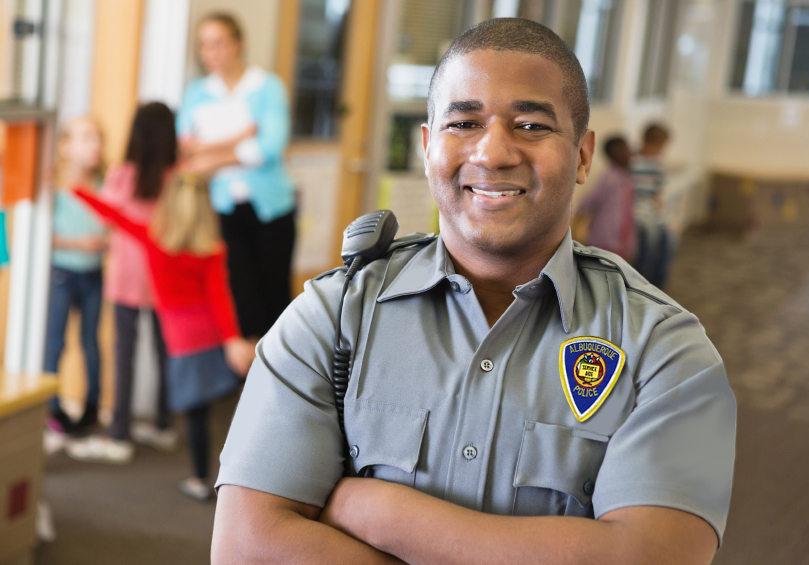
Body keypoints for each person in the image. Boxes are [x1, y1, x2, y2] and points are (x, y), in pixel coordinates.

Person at [211, 18, 736, 564]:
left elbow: (649, 557)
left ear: (583, 155)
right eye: (463, 122)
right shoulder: (333, 315)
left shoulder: (669, 353)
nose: (492, 152)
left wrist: (374, 511)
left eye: (531, 125)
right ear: (427, 145)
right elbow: (246, 549)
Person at [72, 173, 255, 501]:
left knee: (197, 417)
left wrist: (77, 188)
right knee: (230, 411)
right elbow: (220, 298)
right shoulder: (212, 249)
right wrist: (231, 339)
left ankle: (201, 480)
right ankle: (245, 479)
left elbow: (112, 215)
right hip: (212, 337)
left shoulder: (152, 238)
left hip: (183, 343)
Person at [67, 102, 178, 464]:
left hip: (128, 277)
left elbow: (105, 217)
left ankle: (120, 433)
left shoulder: (123, 175)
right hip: (167, 278)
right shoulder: (180, 176)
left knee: (124, 353)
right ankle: (164, 424)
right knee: (167, 353)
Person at [178, 12, 296, 343]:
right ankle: (242, 387)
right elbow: (187, 154)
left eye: (218, 43)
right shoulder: (197, 93)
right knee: (238, 299)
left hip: (272, 208)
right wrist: (242, 137)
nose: (211, 53)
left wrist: (210, 155)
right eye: (204, 46)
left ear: (239, 44)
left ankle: (278, 383)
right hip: (221, 210)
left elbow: (269, 148)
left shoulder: (268, 87)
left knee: (274, 297)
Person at [44, 117, 108, 434]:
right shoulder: (54, 188)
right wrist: (79, 243)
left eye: (97, 138)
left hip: (95, 274)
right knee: (54, 343)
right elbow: (41, 235)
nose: (94, 145)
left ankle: (92, 408)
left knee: (91, 344)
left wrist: (104, 242)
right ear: (65, 146)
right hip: (61, 273)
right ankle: (52, 409)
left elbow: (116, 227)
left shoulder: (106, 186)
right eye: (86, 138)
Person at [574, 135, 635, 261]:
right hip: (605, 240)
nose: (629, 153)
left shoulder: (626, 177)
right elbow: (587, 203)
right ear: (613, 155)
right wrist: (576, 229)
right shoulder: (609, 179)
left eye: (628, 149)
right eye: (623, 151)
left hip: (622, 240)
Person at [632, 123, 673, 288]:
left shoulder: (657, 165)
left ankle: (658, 286)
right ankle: (640, 284)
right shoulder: (633, 162)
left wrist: (663, 217)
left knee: (669, 241)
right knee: (649, 241)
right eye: (660, 147)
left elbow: (657, 197)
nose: (661, 152)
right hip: (635, 212)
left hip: (650, 212)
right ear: (650, 143)